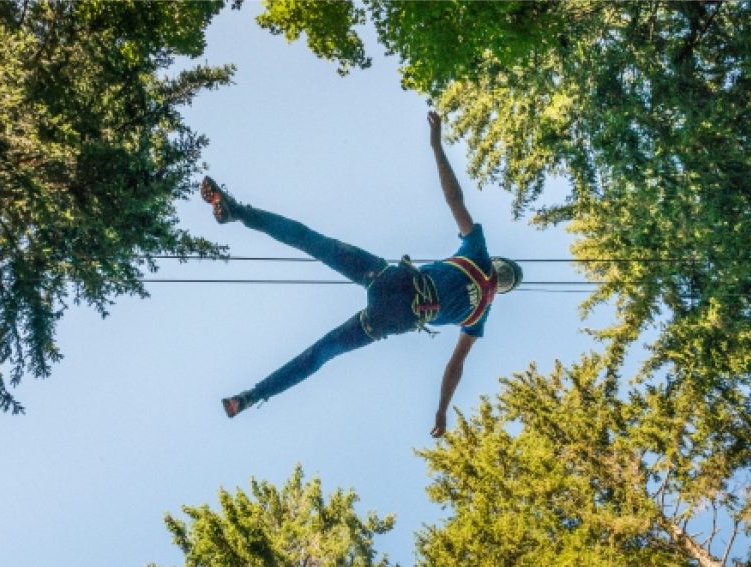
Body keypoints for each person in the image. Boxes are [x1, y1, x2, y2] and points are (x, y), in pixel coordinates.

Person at [202, 111, 522, 437]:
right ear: (504, 287)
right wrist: (441, 411)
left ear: (498, 262)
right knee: (319, 354)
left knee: (313, 242)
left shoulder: (478, 253)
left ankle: (237, 211)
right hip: (392, 318)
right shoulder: (480, 317)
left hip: (390, 279)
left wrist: (436, 145)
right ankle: (250, 397)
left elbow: (454, 198)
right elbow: (455, 368)